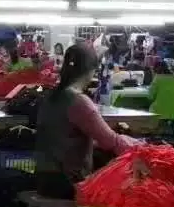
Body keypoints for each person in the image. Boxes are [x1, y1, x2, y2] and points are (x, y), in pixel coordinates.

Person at [33, 43, 140, 194]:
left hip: (43, 179)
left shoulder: (50, 96)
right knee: (128, 179)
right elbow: (111, 141)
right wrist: (144, 148)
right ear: (91, 70)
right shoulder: (78, 101)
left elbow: (64, 137)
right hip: (69, 182)